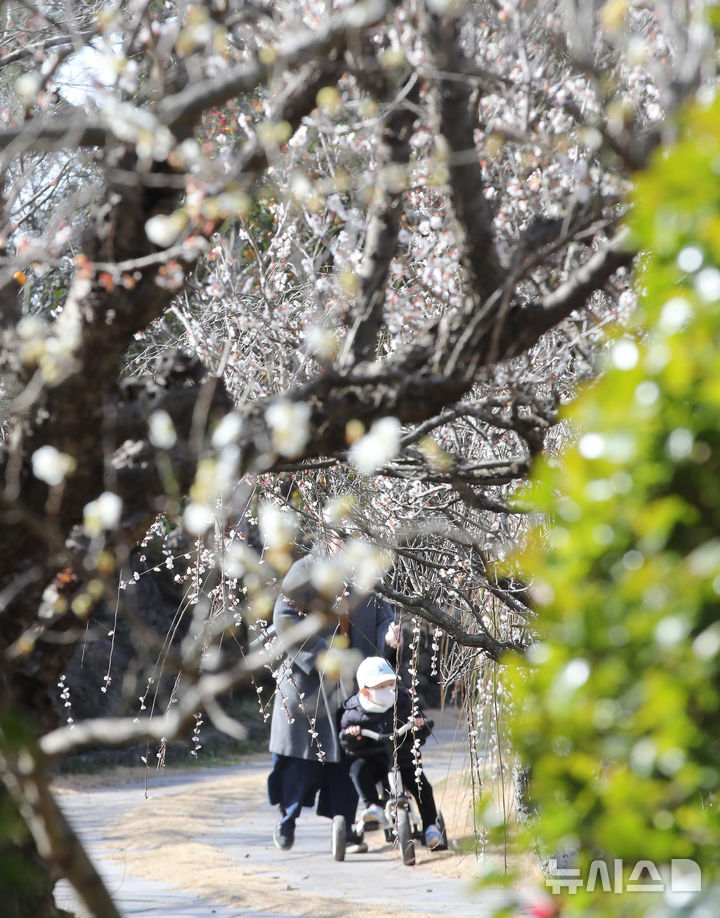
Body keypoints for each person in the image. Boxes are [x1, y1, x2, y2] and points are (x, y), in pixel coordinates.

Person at [267, 551, 399, 852]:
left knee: (349, 753)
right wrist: (322, 657)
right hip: (306, 684)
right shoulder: (304, 569)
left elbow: (383, 617)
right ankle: (287, 820)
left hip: (350, 681)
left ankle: (346, 827)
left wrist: (389, 636)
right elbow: (284, 618)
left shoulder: (366, 571)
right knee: (298, 760)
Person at [339, 655, 444, 850]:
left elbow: (422, 726)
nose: (388, 690)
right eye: (380, 687)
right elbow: (347, 743)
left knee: (422, 786)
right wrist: (353, 735)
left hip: (403, 757)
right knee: (358, 770)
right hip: (374, 759)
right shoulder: (355, 711)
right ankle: (373, 806)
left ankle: (430, 826)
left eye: (390, 685)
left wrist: (420, 725)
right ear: (365, 691)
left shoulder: (405, 703)